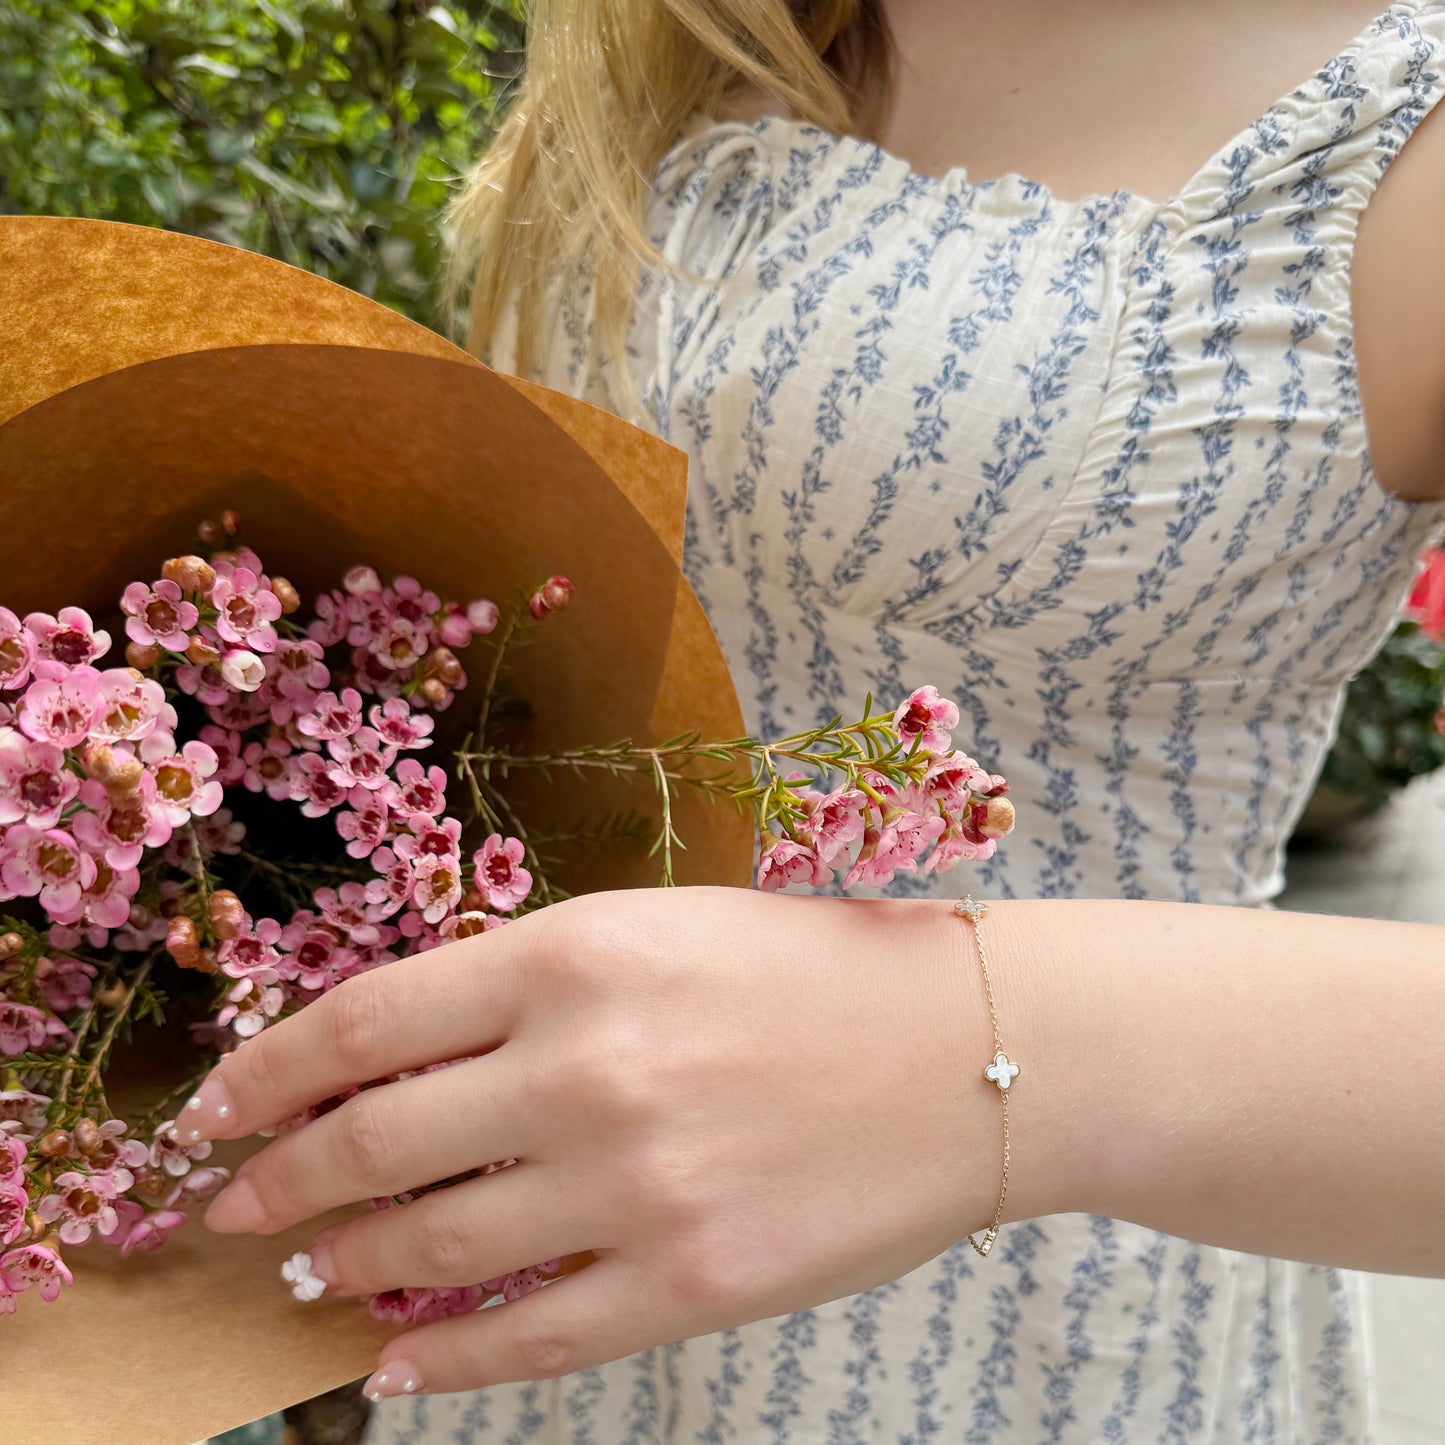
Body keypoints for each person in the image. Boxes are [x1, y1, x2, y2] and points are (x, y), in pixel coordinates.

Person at [185, 2, 1445, 1440]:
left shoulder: (1395, 121)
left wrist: (990, 1042)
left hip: (1023, 1338)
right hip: (556, 1295)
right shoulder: (701, 34)